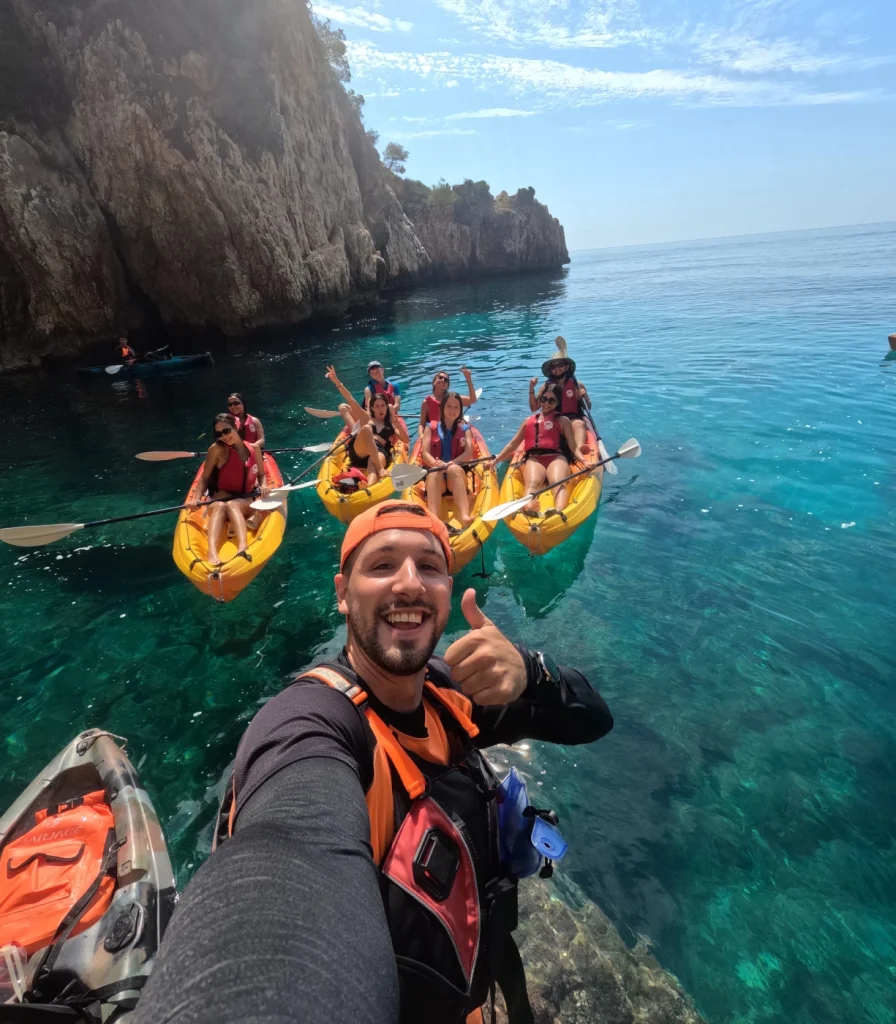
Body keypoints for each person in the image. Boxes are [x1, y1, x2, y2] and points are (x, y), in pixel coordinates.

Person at [132, 500, 612, 1024]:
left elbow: (592, 722)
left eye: (430, 566)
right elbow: (291, 854)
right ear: (342, 594)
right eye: (382, 565)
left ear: (448, 593)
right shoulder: (311, 724)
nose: (409, 583)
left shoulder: (449, 693)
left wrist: (532, 670)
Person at [492, 383, 587, 515]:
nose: (546, 403)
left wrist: (584, 460)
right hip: (534, 459)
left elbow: (573, 446)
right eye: (544, 399)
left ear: (558, 402)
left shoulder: (563, 420)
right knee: (532, 485)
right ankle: (531, 508)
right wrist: (496, 460)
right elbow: (513, 444)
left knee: (558, 483)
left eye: (552, 400)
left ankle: (557, 512)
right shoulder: (528, 421)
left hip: (556, 457)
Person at [189, 413, 269, 565]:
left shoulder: (254, 449)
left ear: (236, 426)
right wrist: (196, 498)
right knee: (220, 505)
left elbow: (261, 475)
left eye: (226, 431)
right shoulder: (217, 449)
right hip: (218, 499)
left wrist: (264, 485)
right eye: (219, 434)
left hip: (243, 501)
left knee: (232, 504)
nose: (224, 436)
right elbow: (204, 478)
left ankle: (242, 547)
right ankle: (211, 553)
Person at [327, 365, 410, 486]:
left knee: (373, 463)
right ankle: (379, 469)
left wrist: (398, 427)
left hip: (379, 451)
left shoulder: (390, 425)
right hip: (360, 450)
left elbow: (405, 439)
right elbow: (350, 398)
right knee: (366, 428)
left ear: (387, 407)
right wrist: (337, 381)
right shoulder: (367, 418)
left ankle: (368, 487)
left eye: (383, 406)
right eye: (377, 406)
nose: (380, 409)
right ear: (372, 408)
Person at [420, 391, 474, 529]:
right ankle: (434, 519)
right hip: (438, 479)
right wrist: (437, 465)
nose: (453, 410)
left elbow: (468, 453)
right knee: (433, 472)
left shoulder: (465, 429)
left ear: (460, 410)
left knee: (453, 469)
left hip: (456, 478)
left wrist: (451, 463)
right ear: (442, 407)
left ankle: (464, 517)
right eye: (449, 406)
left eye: (456, 407)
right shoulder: (430, 427)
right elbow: (425, 453)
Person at [529, 336, 592, 450]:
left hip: (573, 419)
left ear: (567, 367)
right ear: (551, 369)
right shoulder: (546, 386)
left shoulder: (578, 385)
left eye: (560, 365)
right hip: (554, 419)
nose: (557, 368)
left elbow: (588, 407)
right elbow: (534, 408)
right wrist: (531, 389)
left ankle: (579, 450)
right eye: (554, 366)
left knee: (580, 424)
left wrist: (584, 396)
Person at [418, 365, 477, 432]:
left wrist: (468, 379)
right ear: (434, 382)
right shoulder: (426, 402)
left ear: (447, 386)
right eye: (440, 377)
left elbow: (472, 400)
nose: (443, 380)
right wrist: (421, 436)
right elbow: (422, 424)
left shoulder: (452, 399)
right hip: (435, 434)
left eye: (446, 380)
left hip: (452, 432)